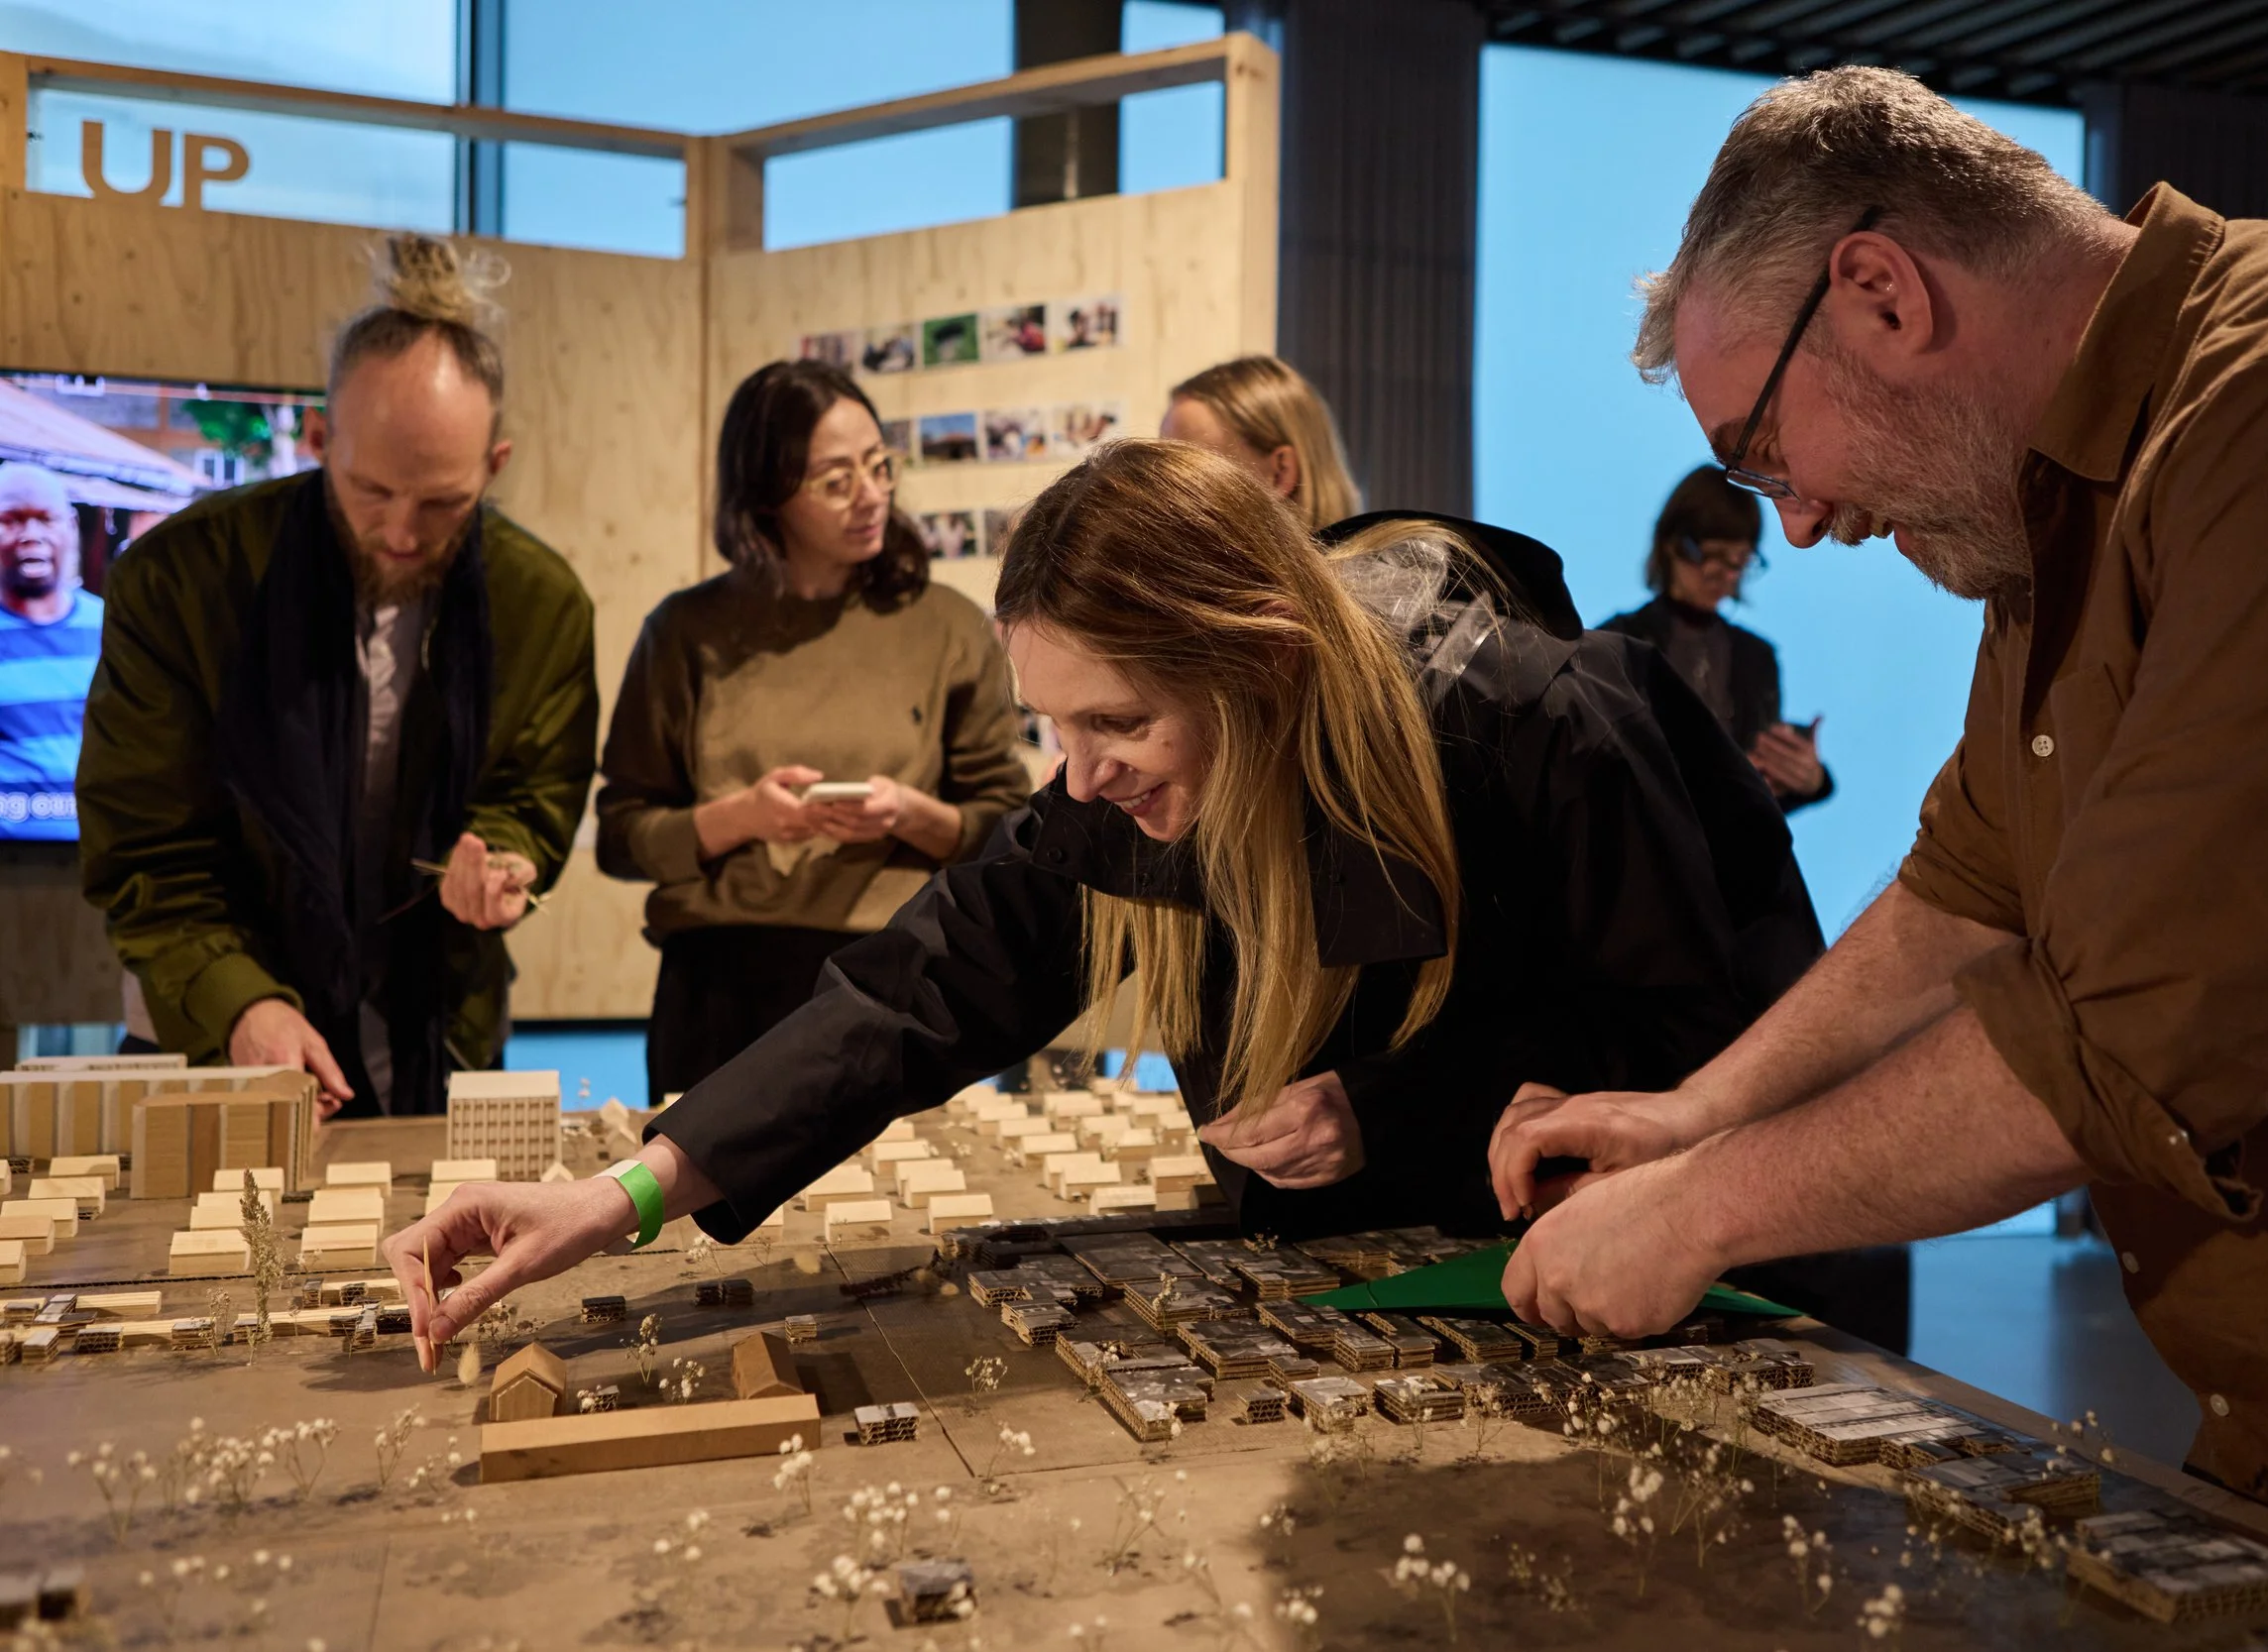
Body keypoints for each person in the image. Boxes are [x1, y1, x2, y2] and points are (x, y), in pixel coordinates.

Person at [1491, 67, 2268, 1585]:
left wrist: (1699, 1211)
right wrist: (1700, 1111)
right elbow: (1972, 883)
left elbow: (2128, 1029)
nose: (1798, 523)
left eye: (1764, 451)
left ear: (1881, 295)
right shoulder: (2054, 502)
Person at [388, 438, 1822, 1354]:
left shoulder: (1544, 725)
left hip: (1638, 1267)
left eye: (1115, 725)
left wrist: (1394, 1105)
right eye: (1051, 726)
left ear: (1260, 661)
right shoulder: (1128, 778)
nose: (1078, 777)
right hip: (1380, 1273)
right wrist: (624, 1190)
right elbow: (919, 986)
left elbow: (1689, 1050)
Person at [78, 234, 597, 1119]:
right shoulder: (182, 580)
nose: (402, 532)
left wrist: (500, 858)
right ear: (319, 439)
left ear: (495, 466)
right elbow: (146, 851)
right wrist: (241, 999)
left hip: (440, 1034)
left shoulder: (540, 602)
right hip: (214, 1023)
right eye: (370, 491)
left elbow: (532, 793)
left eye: (443, 504)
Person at [597, 360, 1033, 1104]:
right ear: (767, 498)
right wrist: (745, 817)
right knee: (707, 1209)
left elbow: (1006, 824)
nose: (872, 496)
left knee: (902, 1210)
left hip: (895, 964)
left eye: (878, 466)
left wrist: (909, 814)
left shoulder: (947, 628)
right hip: (721, 982)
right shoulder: (685, 632)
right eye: (835, 480)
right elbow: (620, 835)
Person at [1602, 466, 1832, 810]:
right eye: (1713, 558)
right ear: (1673, 545)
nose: (1725, 577)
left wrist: (1808, 780)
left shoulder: (1756, 657)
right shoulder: (1615, 644)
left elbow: (1759, 805)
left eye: (1739, 562)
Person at [0, 463, 101, 835]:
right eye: (11, 520)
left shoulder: (114, 630)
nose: (31, 535)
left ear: (71, 528)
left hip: (93, 872)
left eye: (46, 519)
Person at [1161, 355, 1363, 530]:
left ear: (1280, 472)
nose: (1162, 489)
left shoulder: (1368, 573)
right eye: (1163, 464)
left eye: (1191, 470)